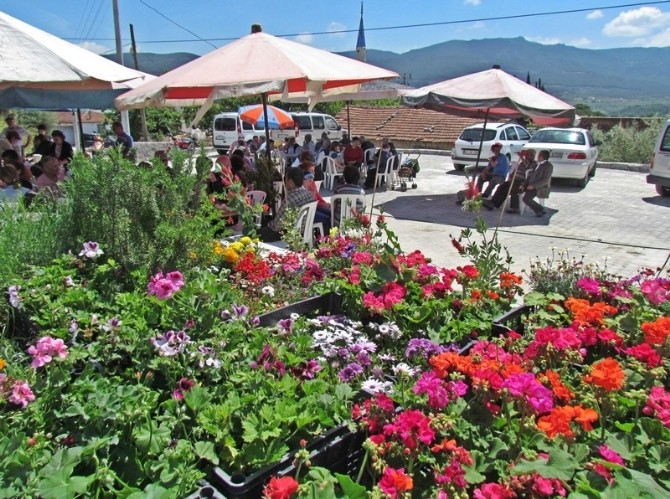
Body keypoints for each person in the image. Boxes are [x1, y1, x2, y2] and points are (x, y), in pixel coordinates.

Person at [259, 166, 313, 242]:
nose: (285, 182)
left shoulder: (289, 200)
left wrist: (268, 224)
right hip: (302, 230)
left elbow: (276, 227)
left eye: (285, 179)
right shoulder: (310, 194)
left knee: (253, 234)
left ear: (290, 182)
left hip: (284, 234)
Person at [300, 159, 331, 233]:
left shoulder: (312, 181)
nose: (314, 173)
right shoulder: (304, 184)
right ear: (304, 171)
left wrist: (325, 203)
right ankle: (322, 238)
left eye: (314, 170)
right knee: (328, 218)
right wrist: (323, 204)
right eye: (311, 170)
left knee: (332, 213)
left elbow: (317, 195)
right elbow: (312, 201)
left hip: (316, 206)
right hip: (311, 208)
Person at [523, 149, 553, 217]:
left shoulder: (548, 166)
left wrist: (533, 186)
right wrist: (524, 184)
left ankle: (540, 210)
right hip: (530, 184)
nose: (537, 156)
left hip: (540, 187)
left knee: (526, 199)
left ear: (542, 156)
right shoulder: (537, 164)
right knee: (516, 190)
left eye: (539, 155)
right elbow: (530, 173)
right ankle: (515, 207)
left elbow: (545, 180)